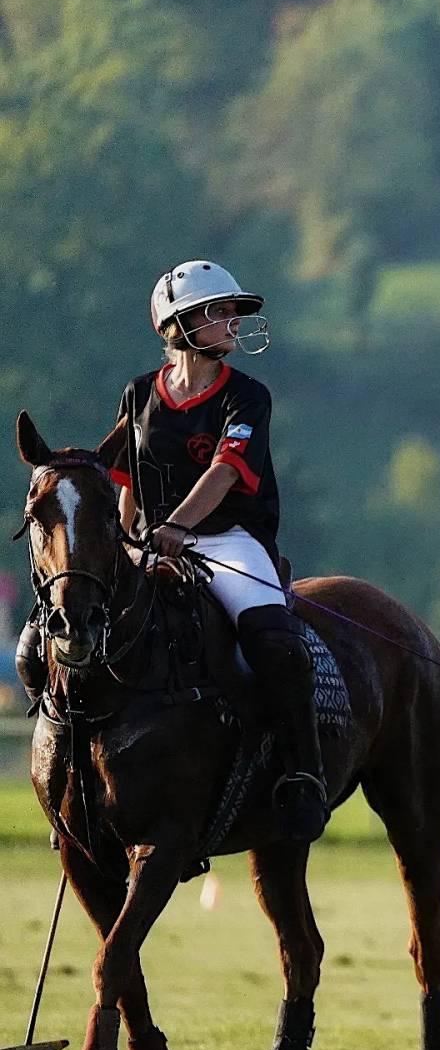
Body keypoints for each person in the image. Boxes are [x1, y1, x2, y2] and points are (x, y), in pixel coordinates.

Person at [16, 260, 329, 841]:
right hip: (148, 541)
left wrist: (178, 527)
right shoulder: (139, 394)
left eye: (233, 311)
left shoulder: (248, 397)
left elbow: (226, 472)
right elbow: (128, 480)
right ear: (179, 326)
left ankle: (303, 777)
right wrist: (123, 541)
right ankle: (67, 773)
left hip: (231, 542)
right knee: (39, 647)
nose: (232, 321)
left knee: (275, 644)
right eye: (218, 312)